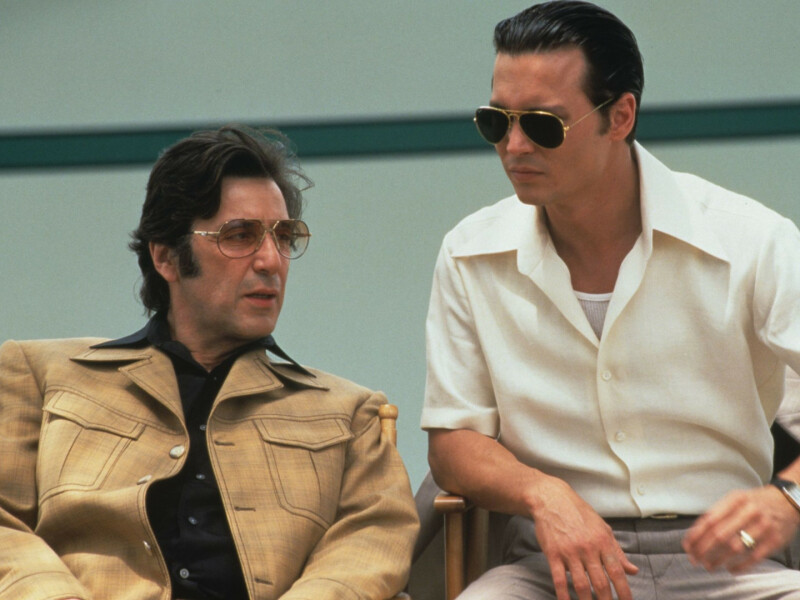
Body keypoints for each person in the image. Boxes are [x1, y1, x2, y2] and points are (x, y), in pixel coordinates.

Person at [420, 2, 800, 599]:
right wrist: (544, 494)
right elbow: (452, 441)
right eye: (496, 121)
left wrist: (788, 497)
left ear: (620, 116)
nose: (513, 146)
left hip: (730, 566)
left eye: (543, 124)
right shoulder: (470, 253)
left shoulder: (752, 240)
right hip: (550, 567)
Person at [0, 126, 418, 600]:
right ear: (166, 258)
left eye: (283, 237)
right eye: (239, 236)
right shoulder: (40, 374)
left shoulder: (350, 414)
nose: (271, 261)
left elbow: (374, 539)